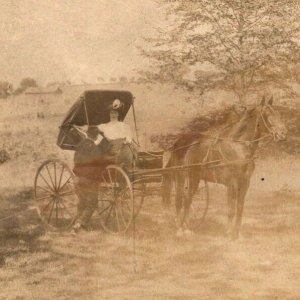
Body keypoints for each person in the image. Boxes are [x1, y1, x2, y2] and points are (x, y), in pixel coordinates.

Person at [72, 126, 105, 235]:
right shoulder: (95, 148)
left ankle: (80, 223)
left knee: (82, 202)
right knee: (92, 203)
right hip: (90, 180)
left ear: (87, 134)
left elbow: (76, 159)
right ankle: (79, 224)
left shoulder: (80, 145)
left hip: (78, 179)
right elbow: (100, 162)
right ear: (96, 136)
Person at [97, 99, 135, 173]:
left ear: (118, 114)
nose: (113, 115)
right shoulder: (104, 126)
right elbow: (97, 136)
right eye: (111, 113)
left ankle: (127, 167)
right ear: (109, 114)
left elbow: (129, 138)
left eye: (115, 113)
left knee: (128, 149)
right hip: (111, 150)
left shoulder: (125, 126)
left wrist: (125, 142)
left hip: (123, 149)